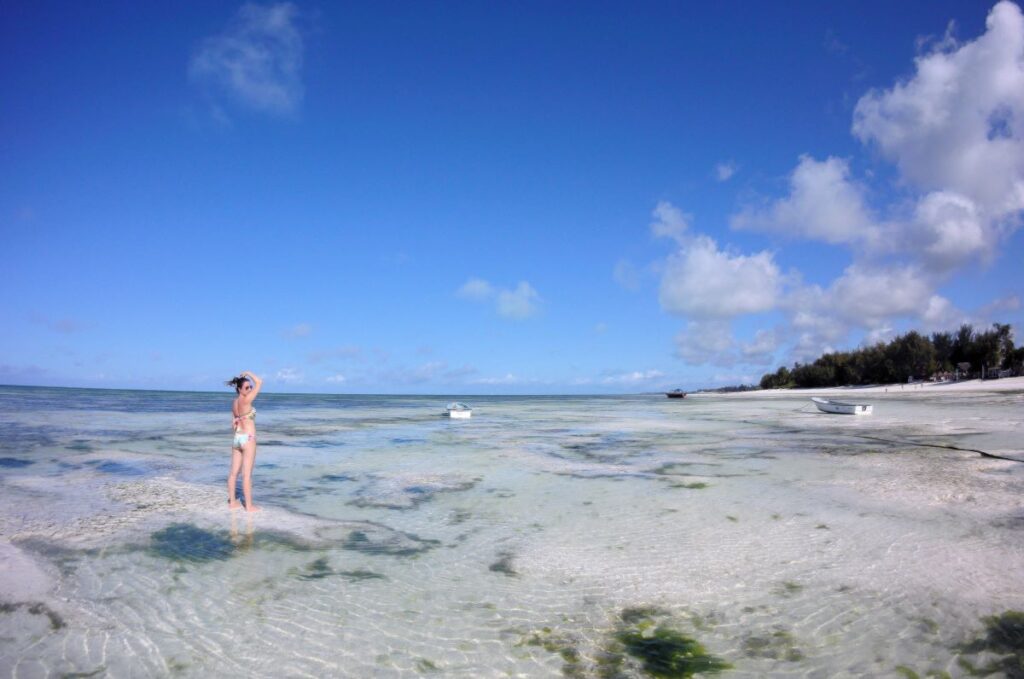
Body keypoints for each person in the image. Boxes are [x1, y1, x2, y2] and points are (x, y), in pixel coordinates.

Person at [226, 371, 263, 512]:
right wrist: (248, 373)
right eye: (247, 387)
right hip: (248, 439)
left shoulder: (234, 403)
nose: (250, 389)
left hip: (237, 438)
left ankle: (232, 503)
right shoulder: (246, 400)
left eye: (250, 387)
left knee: (234, 473)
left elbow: (233, 424)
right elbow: (259, 382)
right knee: (247, 475)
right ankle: (248, 506)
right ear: (240, 389)